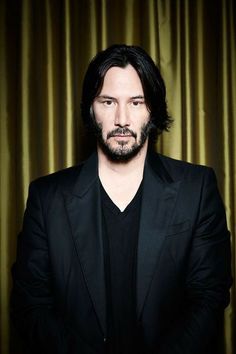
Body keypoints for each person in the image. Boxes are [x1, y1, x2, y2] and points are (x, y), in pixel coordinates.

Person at [11, 44, 232, 354]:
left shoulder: (196, 188)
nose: (122, 119)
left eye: (136, 102)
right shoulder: (47, 198)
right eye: (108, 101)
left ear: (152, 109)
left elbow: (209, 296)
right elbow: (30, 306)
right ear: (91, 108)